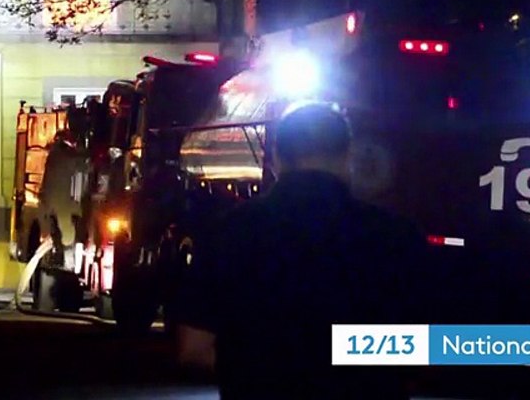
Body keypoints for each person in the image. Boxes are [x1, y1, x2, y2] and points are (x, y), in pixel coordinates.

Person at [173, 102, 429, 400]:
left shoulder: (229, 232)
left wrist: (257, 366)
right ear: (348, 157)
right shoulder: (395, 236)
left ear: (276, 158)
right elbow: (422, 351)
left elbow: (194, 349)